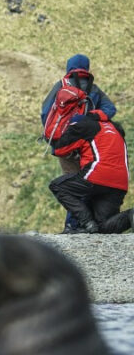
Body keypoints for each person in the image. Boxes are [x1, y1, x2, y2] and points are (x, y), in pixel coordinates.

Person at [41, 53, 117, 232]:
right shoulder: (94, 88)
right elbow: (110, 109)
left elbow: (46, 113)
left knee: (70, 184)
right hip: (88, 144)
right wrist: (93, 118)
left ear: (68, 67)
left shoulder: (61, 86)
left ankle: (73, 225)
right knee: (84, 181)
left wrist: (54, 139)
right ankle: (86, 224)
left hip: (64, 145)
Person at [49, 110, 133, 234]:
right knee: (104, 228)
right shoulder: (115, 128)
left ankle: (87, 223)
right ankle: (130, 215)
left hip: (97, 175)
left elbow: (59, 150)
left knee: (58, 186)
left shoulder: (86, 125)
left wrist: (70, 131)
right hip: (120, 183)